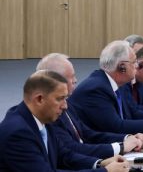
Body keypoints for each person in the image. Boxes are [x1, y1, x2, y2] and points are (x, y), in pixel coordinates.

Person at [0, 70, 130, 172]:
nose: (65, 106)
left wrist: (100, 163)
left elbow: (64, 156)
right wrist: (105, 171)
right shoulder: (18, 133)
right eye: (60, 99)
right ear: (39, 99)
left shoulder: (42, 118)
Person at [37, 53, 143, 159]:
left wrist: (127, 138)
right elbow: (72, 149)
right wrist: (120, 147)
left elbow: (88, 134)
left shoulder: (67, 103)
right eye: (71, 77)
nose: (76, 80)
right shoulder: (49, 112)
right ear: (53, 81)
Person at [69, 41, 143, 134]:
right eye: (134, 62)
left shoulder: (114, 83)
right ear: (122, 67)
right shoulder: (97, 88)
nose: (137, 66)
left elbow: (132, 113)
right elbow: (116, 126)